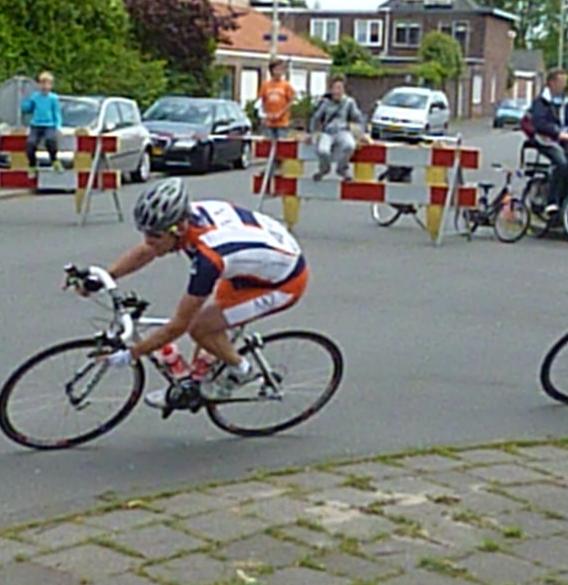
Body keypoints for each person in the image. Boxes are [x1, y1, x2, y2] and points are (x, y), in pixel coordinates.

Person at [77, 177, 306, 404]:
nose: (148, 241)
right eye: (145, 233)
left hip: (283, 282)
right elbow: (147, 250)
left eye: (155, 235)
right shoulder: (183, 218)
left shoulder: (208, 260)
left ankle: (241, 370)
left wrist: (131, 354)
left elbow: (179, 325)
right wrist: (107, 276)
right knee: (207, 325)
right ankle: (196, 384)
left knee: (199, 327)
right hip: (253, 261)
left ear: (178, 229)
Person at [524, 69, 568, 218]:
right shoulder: (541, 101)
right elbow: (540, 123)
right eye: (561, 82)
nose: (563, 85)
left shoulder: (560, 101)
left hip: (556, 139)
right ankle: (552, 201)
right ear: (551, 82)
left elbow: (561, 121)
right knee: (561, 163)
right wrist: (558, 133)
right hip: (544, 140)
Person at [306, 76, 365, 180]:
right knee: (323, 150)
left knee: (350, 145)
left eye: (340, 88)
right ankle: (324, 169)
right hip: (327, 132)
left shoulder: (349, 103)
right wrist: (311, 133)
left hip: (342, 131)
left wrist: (362, 134)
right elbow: (315, 118)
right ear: (331, 90)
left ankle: (342, 168)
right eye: (335, 88)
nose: (337, 91)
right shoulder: (325, 103)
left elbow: (358, 117)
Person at [20, 70, 62, 170]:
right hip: (36, 125)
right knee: (30, 143)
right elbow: (28, 108)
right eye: (42, 83)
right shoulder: (35, 97)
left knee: (50, 140)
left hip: (49, 125)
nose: (45, 86)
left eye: (47, 84)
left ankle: (54, 160)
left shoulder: (53, 98)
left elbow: (56, 113)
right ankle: (32, 164)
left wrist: (58, 126)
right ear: (39, 85)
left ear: (51, 85)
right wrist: (24, 102)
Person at [257, 61, 297, 138]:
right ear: (272, 71)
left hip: (282, 122)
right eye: (277, 69)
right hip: (269, 122)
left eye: (281, 70)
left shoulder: (286, 85)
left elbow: (291, 101)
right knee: (268, 142)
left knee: (281, 143)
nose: (279, 72)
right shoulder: (265, 85)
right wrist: (267, 113)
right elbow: (262, 101)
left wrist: (280, 113)